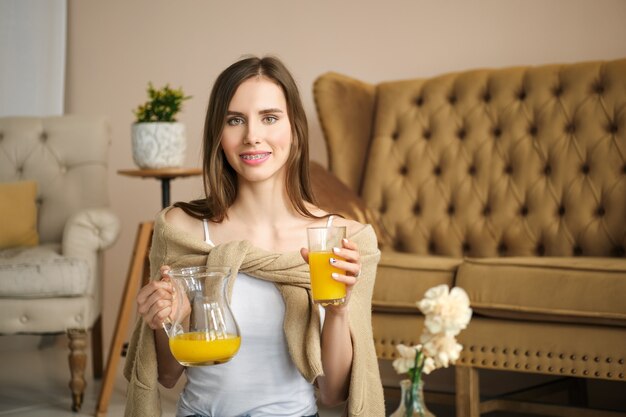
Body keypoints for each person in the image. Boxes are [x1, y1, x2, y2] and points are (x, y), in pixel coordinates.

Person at [124, 56, 384, 417]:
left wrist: (338, 313)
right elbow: (167, 375)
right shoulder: (180, 229)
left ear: (295, 129)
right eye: (235, 120)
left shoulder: (343, 240)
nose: (251, 136)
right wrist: (167, 321)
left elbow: (335, 393)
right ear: (219, 133)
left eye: (270, 118)